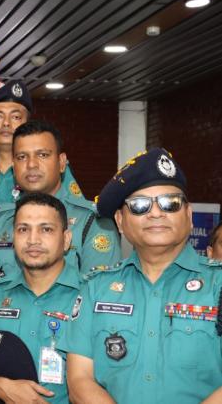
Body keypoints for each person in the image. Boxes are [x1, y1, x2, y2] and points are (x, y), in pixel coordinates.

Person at [61, 148, 222, 403]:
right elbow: (80, 380)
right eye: (139, 205)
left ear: (189, 216)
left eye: (170, 203)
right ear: (121, 222)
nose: (156, 213)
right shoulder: (95, 288)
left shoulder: (218, 285)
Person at [0, 120, 121, 299]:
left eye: (42, 155)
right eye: (22, 157)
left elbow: (102, 298)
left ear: (61, 162)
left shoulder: (92, 222)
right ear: (14, 167)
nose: (31, 165)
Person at [0, 193, 79, 403]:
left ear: (66, 239)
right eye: (23, 229)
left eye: (46, 229)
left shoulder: (89, 295)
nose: (33, 240)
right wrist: (3, 388)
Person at [0, 81, 83, 205]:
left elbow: (75, 213)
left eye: (16, 117)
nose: (6, 123)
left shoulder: (51, 166)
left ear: (27, 122)